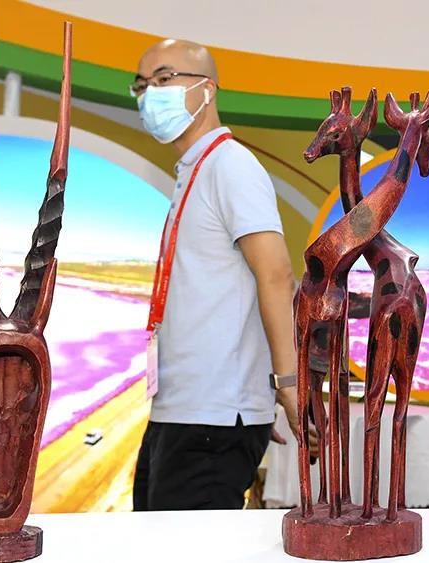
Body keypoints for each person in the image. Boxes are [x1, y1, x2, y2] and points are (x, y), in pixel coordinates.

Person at [130, 39, 315, 511]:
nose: (150, 94)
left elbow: (276, 274)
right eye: (141, 85)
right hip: (182, 409)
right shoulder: (194, 170)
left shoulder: (231, 166)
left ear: (207, 90)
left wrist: (287, 385)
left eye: (164, 79)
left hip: (211, 417)